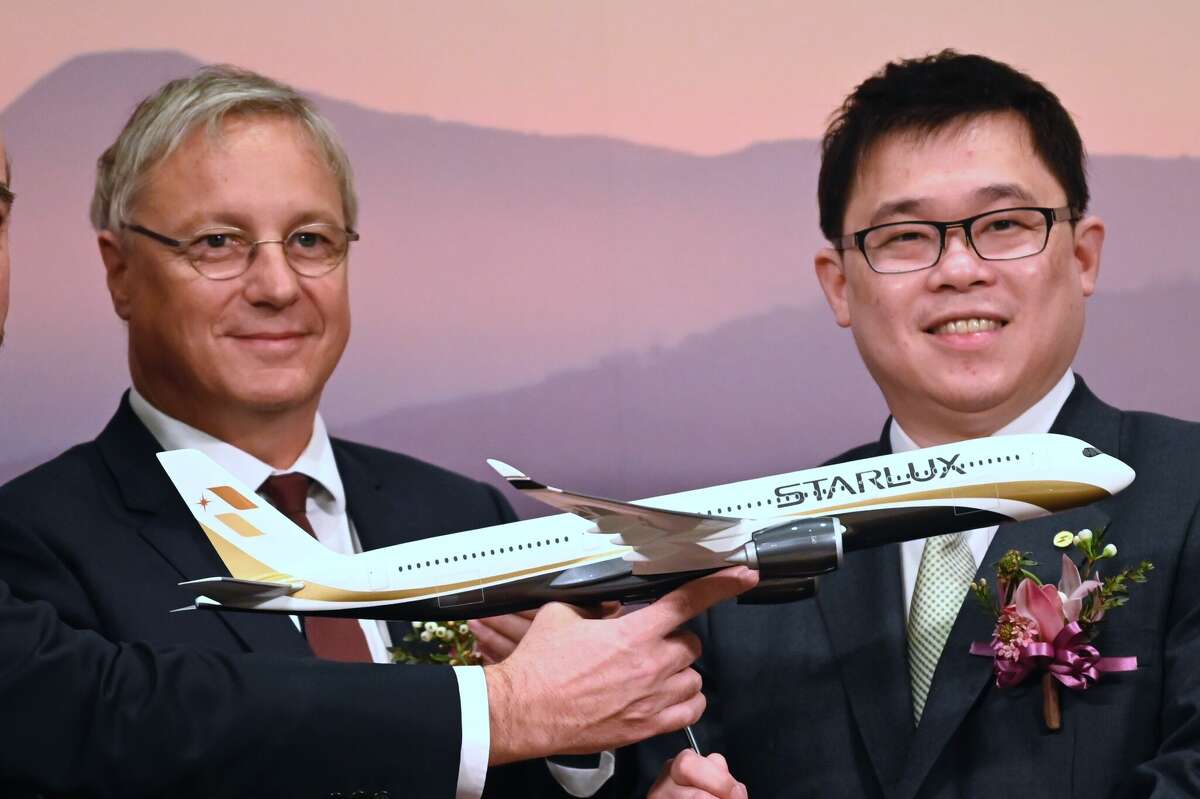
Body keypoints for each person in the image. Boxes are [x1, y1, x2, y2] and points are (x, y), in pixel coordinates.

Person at [0, 74, 755, 798]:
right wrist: (504, 708)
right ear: (119, 270)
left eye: (310, 240)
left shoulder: (461, 513)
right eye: (220, 242)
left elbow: (541, 760)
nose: (277, 285)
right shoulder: (36, 542)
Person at [635, 51, 1200, 798]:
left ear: (1084, 255)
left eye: (1004, 224)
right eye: (905, 237)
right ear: (839, 285)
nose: (959, 268)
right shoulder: (752, 549)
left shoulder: (1184, 490)